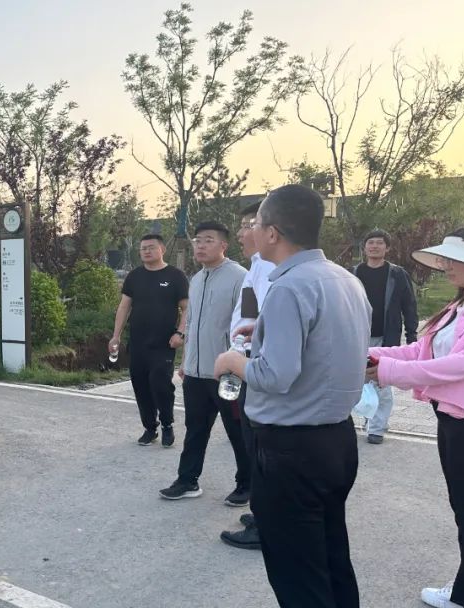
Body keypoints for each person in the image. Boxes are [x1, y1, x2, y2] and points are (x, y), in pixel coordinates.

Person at [214, 184, 370, 608]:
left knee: (298, 574)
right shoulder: (346, 280)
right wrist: (265, 329)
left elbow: (275, 375)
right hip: (337, 440)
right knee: (331, 556)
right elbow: (327, 344)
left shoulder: (288, 287)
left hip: (291, 450)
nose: (251, 231)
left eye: (256, 224)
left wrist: (233, 362)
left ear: (273, 233)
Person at [367, 225, 464, 608]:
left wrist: (389, 372)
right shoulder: (459, 307)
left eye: (456, 259)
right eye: (446, 258)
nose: (446, 265)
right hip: (453, 420)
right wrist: (371, 354)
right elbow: (421, 351)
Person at [159, 221, 249, 506]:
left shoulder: (241, 277)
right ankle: (187, 480)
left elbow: (247, 325)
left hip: (227, 374)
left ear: (224, 245)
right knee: (195, 428)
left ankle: (247, 484)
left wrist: (238, 365)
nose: (200, 245)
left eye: (208, 240)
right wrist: (186, 361)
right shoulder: (196, 280)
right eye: (198, 240)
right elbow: (191, 324)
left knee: (238, 431)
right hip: (196, 372)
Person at [220, 202, 277, 551]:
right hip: (246, 361)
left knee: (259, 446)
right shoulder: (257, 266)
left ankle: (266, 522)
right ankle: (261, 512)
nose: (241, 233)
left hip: (256, 368)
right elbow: (254, 318)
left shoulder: (270, 269)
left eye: (247, 225)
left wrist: (238, 360)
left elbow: (270, 327)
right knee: (253, 443)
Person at [109, 234, 189, 447]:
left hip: (164, 343)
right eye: (143, 248)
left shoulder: (176, 276)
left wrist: (180, 333)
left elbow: (186, 308)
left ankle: (167, 425)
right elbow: (124, 307)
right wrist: (116, 336)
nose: (146, 251)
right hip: (138, 343)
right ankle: (150, 428)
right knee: (141, 386)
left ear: (162, 249)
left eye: (151, 247)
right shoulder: (134, 276)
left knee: (161, 384)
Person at [352, 229, 419, 444]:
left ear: (387, 248)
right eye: (370, 242)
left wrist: (412, 336)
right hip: (358, 337)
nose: (374, 246)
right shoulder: (353, 273)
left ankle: (377, 428)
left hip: (385, 338)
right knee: (361, 381)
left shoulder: (397, 274)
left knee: (381, 382)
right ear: (364, 247)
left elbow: (409, 306)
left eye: (379, 243)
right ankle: (371, 418)